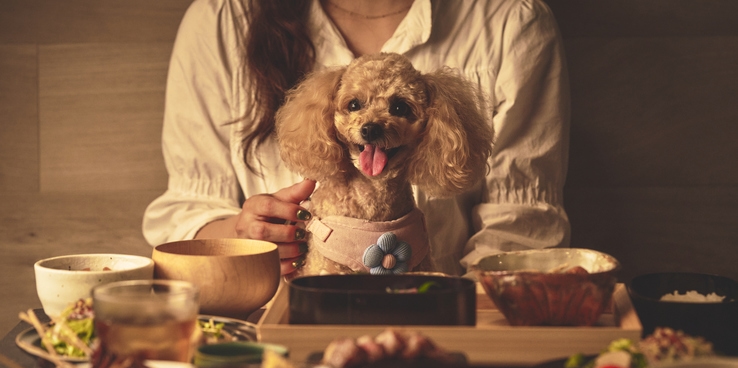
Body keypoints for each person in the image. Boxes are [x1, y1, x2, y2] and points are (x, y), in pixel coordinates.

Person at [143, 0, 572, 277]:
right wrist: (244, 233)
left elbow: (521, 229)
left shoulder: (510, 21)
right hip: (275, 324)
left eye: (401, 108)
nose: (371, 124)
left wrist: (445, 314)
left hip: (438, 324)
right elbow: (187, 212)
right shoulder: (222, 19)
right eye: (353, 108)